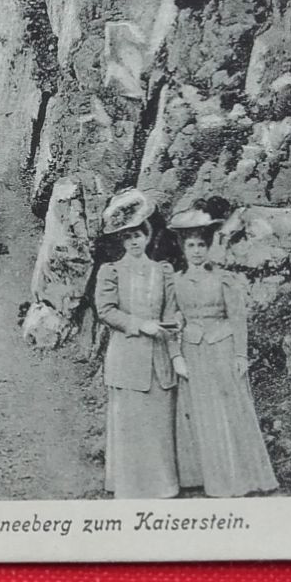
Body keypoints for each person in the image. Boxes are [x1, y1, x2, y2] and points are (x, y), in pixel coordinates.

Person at [166, 208, 280, 497]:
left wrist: (240, 355)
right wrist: (175, 355)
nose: (196, 251)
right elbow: (170, 322)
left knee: (231, 410)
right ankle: (212, 479)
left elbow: (237, 318)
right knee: (204, 414)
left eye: (201, 244)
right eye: (190, 245)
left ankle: (242, 476)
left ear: (208, 246)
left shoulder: (223, 278)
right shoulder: (175, 282)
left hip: (223, 347)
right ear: (182, 248)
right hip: (193, 350)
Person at [94, 188, 182, 499]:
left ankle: (162, 486)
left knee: (158, 423)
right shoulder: (111, 272)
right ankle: (130, 486)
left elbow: (170, 313)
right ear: (121, 241)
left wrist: (174, 345)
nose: (133, 241)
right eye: (127, 237)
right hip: (127, 357)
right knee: (131, 423)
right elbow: (105, 311)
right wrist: (139, 324)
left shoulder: (163, 271)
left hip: (158, 358)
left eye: (138, 235)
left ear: (147, 236)